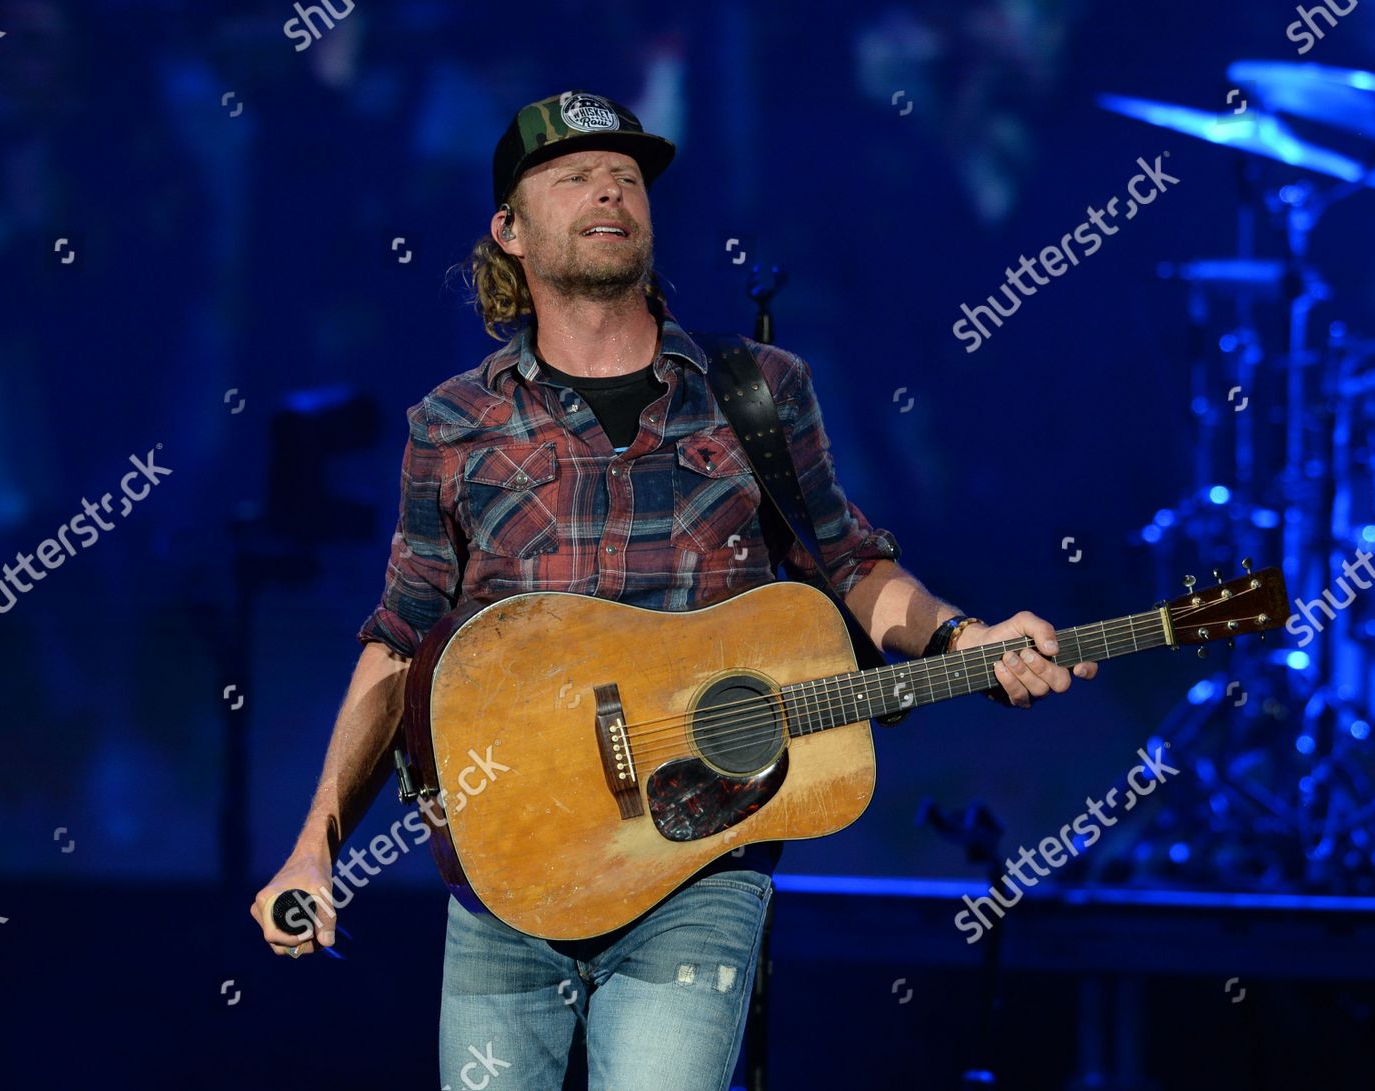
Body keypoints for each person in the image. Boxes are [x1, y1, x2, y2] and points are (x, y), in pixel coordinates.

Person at [250, 89, 1099, 1090]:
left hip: (698, 869)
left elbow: (853, 563)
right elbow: (397, 643)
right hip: (506, 873)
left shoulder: (757, 388)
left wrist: (960, 637)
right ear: (509, 230)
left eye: (626, 175)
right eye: (572, 175)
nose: (608, 187)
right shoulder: (453, 422)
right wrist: (316, 849)